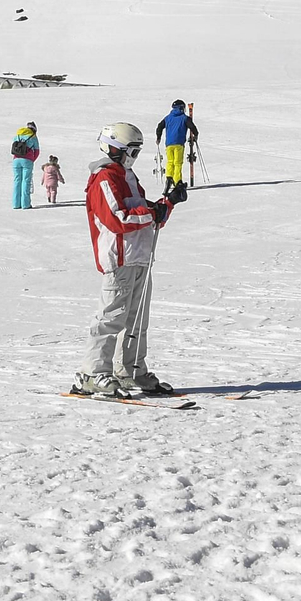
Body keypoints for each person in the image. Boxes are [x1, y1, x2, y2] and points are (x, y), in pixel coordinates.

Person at [70, 122, 177, 398]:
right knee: (111, 318)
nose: (135, 156)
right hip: (119, 258)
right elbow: (118, 219)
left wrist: (166, 204)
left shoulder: (127, 176)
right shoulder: (105, 177)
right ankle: (92, 373)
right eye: (132, 151)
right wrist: (153, 214)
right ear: (115, 149)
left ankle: (130, 370)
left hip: (140, 256)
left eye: (137, 151)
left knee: (137, 318)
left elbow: (143, 216)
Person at [155, 100, 199, 198]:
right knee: (178, 163)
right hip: (179, 144)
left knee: (170, 162)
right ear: (182, 108)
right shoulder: (184, 118)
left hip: (169, 144)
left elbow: (159, 126)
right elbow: (192, 127)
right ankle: (177, 182)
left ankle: (169, 179)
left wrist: (158, 137)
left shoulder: (168, 118)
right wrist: (196, 135)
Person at [11, 122, 39, 209]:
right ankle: (25, 204)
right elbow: (37, 151)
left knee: (17, 181)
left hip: (16, 160)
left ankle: (16, 204)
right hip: (27, 160)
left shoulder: (18, 135)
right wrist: (31, 160)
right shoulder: (33, 137)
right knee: (26, 181)